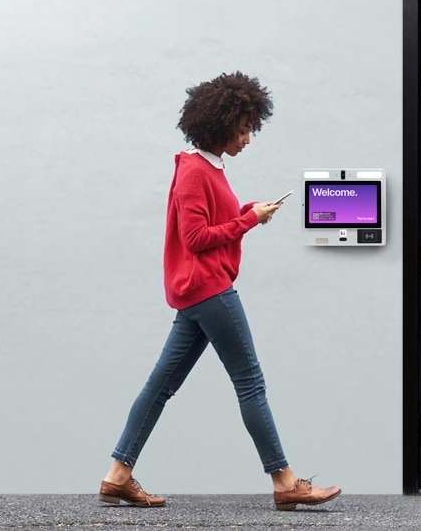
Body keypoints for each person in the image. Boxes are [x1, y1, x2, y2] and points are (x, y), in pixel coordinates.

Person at [98, 72, 341, 511]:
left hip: (196, 295)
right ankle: (285, 482)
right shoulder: (193, 170)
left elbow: (213, 224)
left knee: (160, 386)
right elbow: (196, 237)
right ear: (220, 124)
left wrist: (250, 211)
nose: (249, 138)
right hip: (211, 291)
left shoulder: (208, 167)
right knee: (250, 383)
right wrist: (249, 221)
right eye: (244, 128)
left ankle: (118, 475)